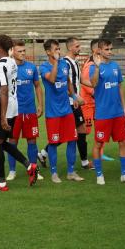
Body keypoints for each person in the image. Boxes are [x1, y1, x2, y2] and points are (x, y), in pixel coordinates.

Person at [0, 34, 38, 192]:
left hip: (2, 108)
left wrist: (2, 117)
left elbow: (4, 89)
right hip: (14, 107)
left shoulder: (2, 65)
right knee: (2, 142)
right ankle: (29, 166)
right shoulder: (11, 62)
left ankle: (1, 183)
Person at [89, 39, 125, 185]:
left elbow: (120, 86)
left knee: (123, 142)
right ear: (99, 50)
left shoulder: (115, 66)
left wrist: (124, 107)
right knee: (98, 144)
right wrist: (96, 68)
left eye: (111, 49)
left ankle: (124, 174)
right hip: (103, 113)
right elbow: (94, 84)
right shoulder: (94, 67)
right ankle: (99, 175)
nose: (110, 52)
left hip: (117, 113)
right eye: (107, 49)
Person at [39, 39, 83, 183]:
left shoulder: (65, 64)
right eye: (56, 49)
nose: (59, 51)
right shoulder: (44, 67)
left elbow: (68, 81)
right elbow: (52, 79)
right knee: (53, 143)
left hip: (67, 110)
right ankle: (54, 173)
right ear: (48, 52)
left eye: (59, 49)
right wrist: (56, 62)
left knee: (72, 140)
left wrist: (74, 96)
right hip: (53, 113)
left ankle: (71, 171)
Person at [6, 40, 44, 181]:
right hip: (14, 112)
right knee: (12, 142)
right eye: (19, 51)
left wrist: (40, 104)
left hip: (30, 110)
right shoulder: (9, 68)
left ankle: (34, 169)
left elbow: (38, 86)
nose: (23, 53)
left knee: (32, 141)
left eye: (24, 51)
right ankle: (12, 170)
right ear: (13, 52)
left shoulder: (31, 68)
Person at [64, 37, 92, 169]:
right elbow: (64, 84)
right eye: (77, 46)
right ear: (70, 47)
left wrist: (96, 85)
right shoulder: (65, 63)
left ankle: (84, 161)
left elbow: (81, 79)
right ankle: (84, 162)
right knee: (71, 132)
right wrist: (75, 96)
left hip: (75, 102)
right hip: (70, 102)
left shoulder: (75, 62)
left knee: (80, 130)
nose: (79, 48)